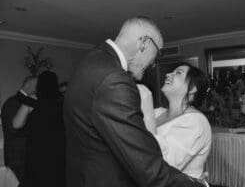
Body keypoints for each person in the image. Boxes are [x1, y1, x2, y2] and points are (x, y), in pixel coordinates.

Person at [64, 16, 205, 187]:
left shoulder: (92, 60)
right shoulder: (115, 79)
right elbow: (147, 166)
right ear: (144, 43)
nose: (153, 64)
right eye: (156, 54)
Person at [138, 63, 212, 182]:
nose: (167, 74)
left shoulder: (195, 121)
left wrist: (146, 114)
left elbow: (164, 167)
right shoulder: (156, 112)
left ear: (192, 88)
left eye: (178, 73)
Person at [24, 71, 65, 187]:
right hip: (57, 148)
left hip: (37, 148)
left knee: (37, 179)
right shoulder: (62, 101)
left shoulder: (33, 99)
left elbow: (16, 124)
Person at [0, 76, 37, 187]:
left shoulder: (19, 101)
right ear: (30, 86)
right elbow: (13, 129)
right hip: (17, 158)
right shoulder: (13, 102)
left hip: (23, 158)